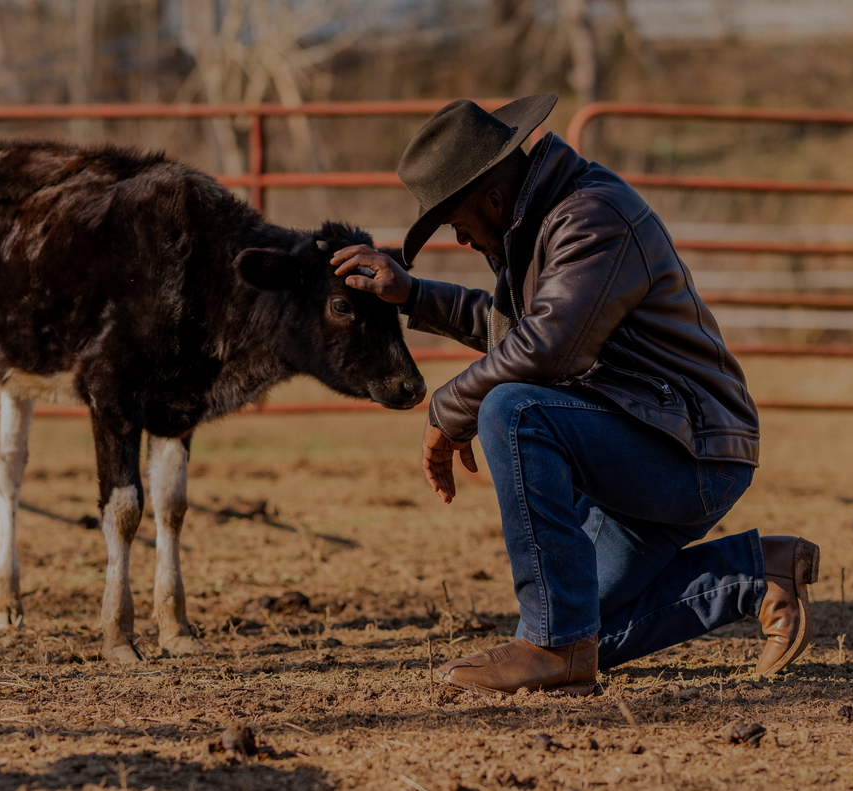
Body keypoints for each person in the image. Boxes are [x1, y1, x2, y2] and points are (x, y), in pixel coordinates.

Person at [330, 94, 820, 696]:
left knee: (509, 410)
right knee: (585, 626)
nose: (457, 238)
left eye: (453, 219)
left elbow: (545, 347)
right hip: (643, 447)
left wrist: (446, 407)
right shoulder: (539, 224)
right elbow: (515, 327)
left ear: (491, 197)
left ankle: (553, 649)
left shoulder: (592, 215)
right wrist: (410, 294)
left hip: (689, 450)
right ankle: (758, 573)